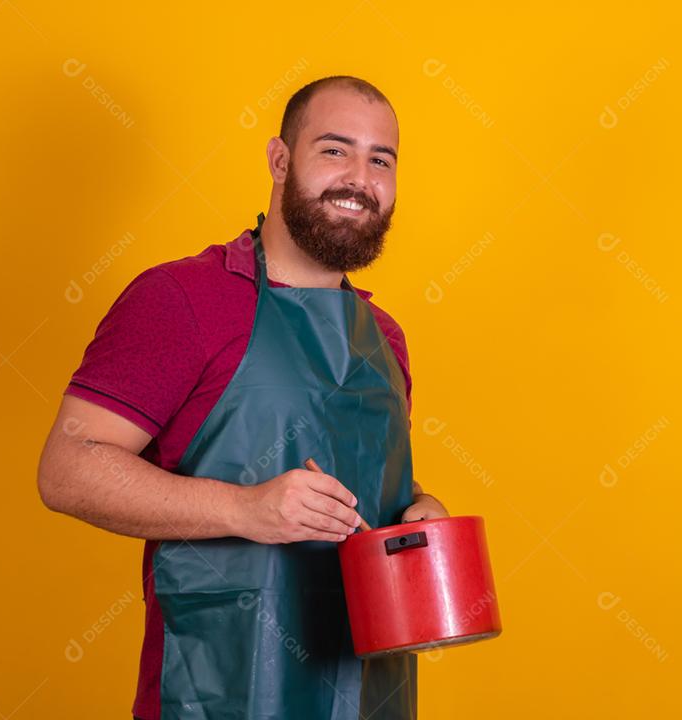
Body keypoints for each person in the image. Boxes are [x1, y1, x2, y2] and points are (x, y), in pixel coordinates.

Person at [37, 75, 448, 720]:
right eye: (334, 150)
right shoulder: (182, 300)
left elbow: (363, 478)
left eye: (381, 160)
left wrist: (416, 509)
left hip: (370, 694)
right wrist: (246, 508)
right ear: (280, 160)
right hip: (220, 692)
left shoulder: (385, 338)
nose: (359, 179)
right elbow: (67, 469)